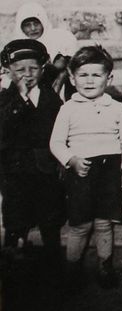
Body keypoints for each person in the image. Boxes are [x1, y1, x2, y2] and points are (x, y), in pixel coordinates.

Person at [49, 46, 122, 289]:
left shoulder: (115, 107)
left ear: (109, 79)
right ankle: (73, 268)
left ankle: (105, 266)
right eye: (83, 75)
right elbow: (56, 143)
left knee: (104, 222)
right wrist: (71, 160)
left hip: (109, 171)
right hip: (81, 172)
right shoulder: (67, 108)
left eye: (96, 75)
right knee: (80, 224)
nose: (89, 81)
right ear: (72, 78)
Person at [0, 40, 65, 271]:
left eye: (34, 68)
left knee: (49, 213)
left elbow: (59, 129)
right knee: (16, 213)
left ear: (42, 68)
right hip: (14, 170)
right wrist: (21, 98)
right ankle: (13, 252)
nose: (27, 74)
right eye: (20, 70)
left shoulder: (50, 98)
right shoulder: (6, 99)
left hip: (45, 168)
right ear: (9, 71)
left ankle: (52, 256)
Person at [11, 1, 78, 98]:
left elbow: (71, 63)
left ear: (43, 22)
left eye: (36, 23)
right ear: (20, 27)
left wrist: (60, 79)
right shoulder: (16, 46)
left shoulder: (60, 38)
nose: (33, 28)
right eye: (27, 25)